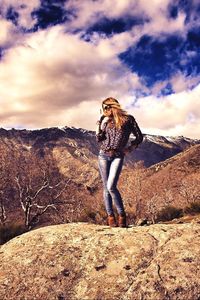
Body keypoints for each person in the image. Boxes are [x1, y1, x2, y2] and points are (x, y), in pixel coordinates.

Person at [96, 97, 143, 228]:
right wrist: (99, 126)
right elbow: (99, 138)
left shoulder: (128, 119)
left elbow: (139, 137)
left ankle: (122, 215)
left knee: (111, 186)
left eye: (106, 107)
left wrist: (130, 148)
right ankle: (111, 217)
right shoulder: (104, 119)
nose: (104, 111)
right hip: (103, 155)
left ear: (113, 107)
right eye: (103, 108)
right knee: (106, 188)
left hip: (118, 156)